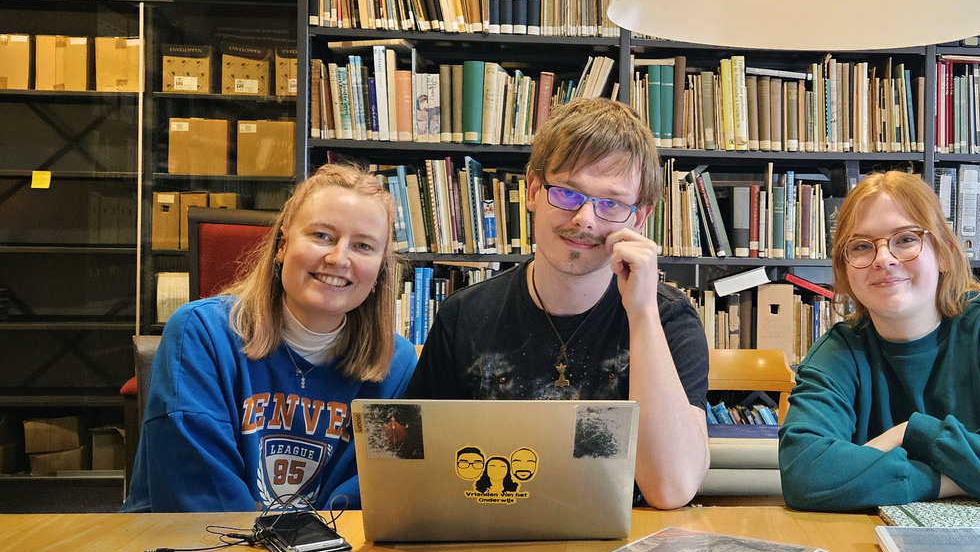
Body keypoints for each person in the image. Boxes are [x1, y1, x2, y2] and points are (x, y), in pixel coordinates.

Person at [405, 97, 710, 509]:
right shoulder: (463, 316)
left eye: (612, 203)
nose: (585, 218)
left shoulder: (669, 318)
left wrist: (641, 314)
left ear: (638, 219)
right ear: (533, 190)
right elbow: (414, 472)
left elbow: (671, 488)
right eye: (568, 193)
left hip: (628, 541)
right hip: (495, 531)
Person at [778, 170, 980, 523]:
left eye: (905, 239)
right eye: (862, 246)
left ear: (943, 254)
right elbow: (804, 475)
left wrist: (913, 433)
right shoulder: (838, 351)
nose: (883, 258)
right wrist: (952, 481)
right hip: (874, 544)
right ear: (845, 270)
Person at [125, 163, 418, 512]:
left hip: (333, 543)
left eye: (363, 246)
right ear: (282, 245)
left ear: (381, 270)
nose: (339, 258)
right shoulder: (200, 333)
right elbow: (198, 495)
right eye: (322, 236)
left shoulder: (397, 363)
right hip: (201, 541)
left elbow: (382, 490)